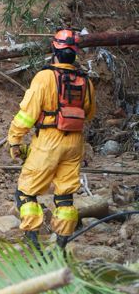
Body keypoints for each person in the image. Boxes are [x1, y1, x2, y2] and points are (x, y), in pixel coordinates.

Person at [7, 28, 96, 248]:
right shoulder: (85, 81)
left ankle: (33, 244)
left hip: (48, 141)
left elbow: (27, 115)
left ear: (54, 49)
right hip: (75, 143)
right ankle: (61, 247)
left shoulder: (45, 77)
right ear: (75, 54)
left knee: (26, 192)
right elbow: (90, 113)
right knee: (65, 195)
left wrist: (15, 140)